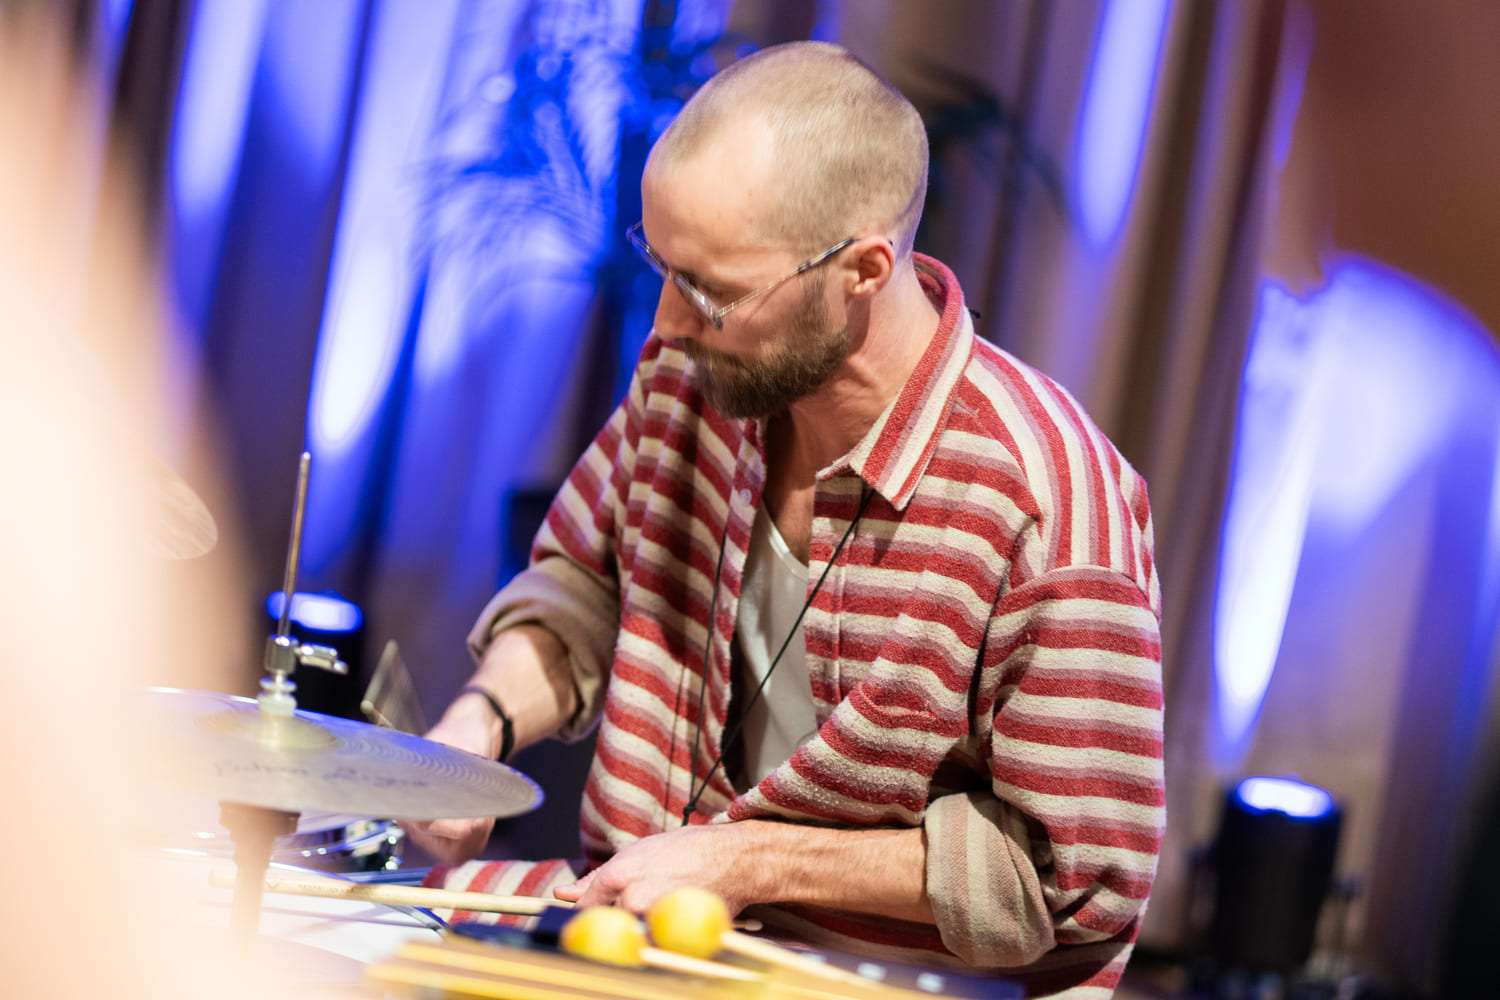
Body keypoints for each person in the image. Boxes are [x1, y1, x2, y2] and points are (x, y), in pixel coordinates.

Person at [405, 40, 1164, 997]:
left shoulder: (1049, 508)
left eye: (712, 291)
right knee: (358, 942)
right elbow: (587, 583)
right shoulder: (694, 377)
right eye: (662, 266)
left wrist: (750, 860)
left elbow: (1066, 879)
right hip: (644, 938)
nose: (666, 324)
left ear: (863, 270)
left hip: (870, 979)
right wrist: (479, 723)